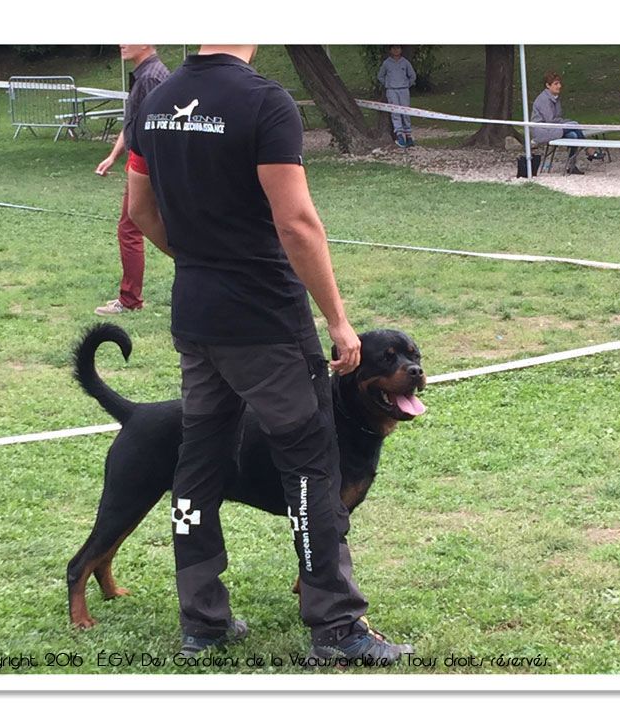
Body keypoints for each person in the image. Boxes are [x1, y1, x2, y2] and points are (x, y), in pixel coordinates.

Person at [126, 45, 413, 665]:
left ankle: (202, 623)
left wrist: (204, 264)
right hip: (266, 323)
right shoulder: (264, 101)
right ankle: (336, 629)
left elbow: (139, 210)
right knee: (313, 468)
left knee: (197, 466)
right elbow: (298, 224)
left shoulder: (155, 100)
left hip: (196, 314)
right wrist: (338, 319)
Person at [93, 45, 169, 316]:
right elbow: (134, 123)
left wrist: (149, 171)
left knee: (130, 228)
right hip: (142, 165)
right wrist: (113, 156)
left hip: (149, 167)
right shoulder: (144, 73)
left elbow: (158, 126)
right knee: (137, 226)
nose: (122, 42)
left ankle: (129, 299)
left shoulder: (151, 77)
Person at [530, 71, 603, 176]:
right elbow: (550, 120)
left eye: (559, 83)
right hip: (544, 130)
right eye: (556, 84)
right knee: (574, 125)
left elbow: (557, 118)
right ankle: (589, 150)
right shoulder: (544, 100)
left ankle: (571, 166)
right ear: (547, 85)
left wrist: (566, 122)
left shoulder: (555, 97)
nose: (559, 86)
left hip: (554, 128)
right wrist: (567, 123)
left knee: (573, 135)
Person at [377, 45, 417, 148]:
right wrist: (388, 84)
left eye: (398, 48)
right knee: (395, 112)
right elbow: (380, 76)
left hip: (403, 90)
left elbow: (412, 76)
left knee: (405, 112)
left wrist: (406, 84)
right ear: (390, 50)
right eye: (394, 48)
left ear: (401, 49)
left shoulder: (405, 62)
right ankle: (400, 136)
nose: (396, 50)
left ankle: (408, 136)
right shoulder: (387, 63)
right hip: (392, 91)